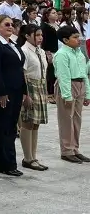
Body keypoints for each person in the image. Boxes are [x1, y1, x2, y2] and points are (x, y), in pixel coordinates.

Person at [0, 15, 28, 176]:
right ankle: (5, 163)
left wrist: (24, 90)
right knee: (4, 126)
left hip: (17, 89)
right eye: (6, 24)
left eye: (12, 25)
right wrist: (1, 92)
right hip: (4, 90)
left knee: (12, 127)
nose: (10, 27)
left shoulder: (12, 43)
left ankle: (11, 161)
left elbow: (19, 68)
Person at [53, 24, 90, 163]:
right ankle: (66, 150)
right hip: (68, 85)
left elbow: (84, 73)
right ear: (65, 40)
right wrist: (67, 95)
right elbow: (63, 76)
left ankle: (75, 148)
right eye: (74, 37)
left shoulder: (79, 52)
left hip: (80, 84)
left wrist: (87, 93)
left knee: (76, 119)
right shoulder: (62, 54)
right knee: (66, 119)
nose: (78, 40)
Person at [17, 23, 49, 171]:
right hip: (29, 87)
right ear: (27, 36)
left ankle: (33, 156)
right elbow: (22, 74)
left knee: (36, 123)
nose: (40, 38)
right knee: (27, 122)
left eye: (41, 35)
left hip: (40, 86)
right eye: (37, 35)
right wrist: (25, 95)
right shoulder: (24, 51)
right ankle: (27, 157)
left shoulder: (40, 51)